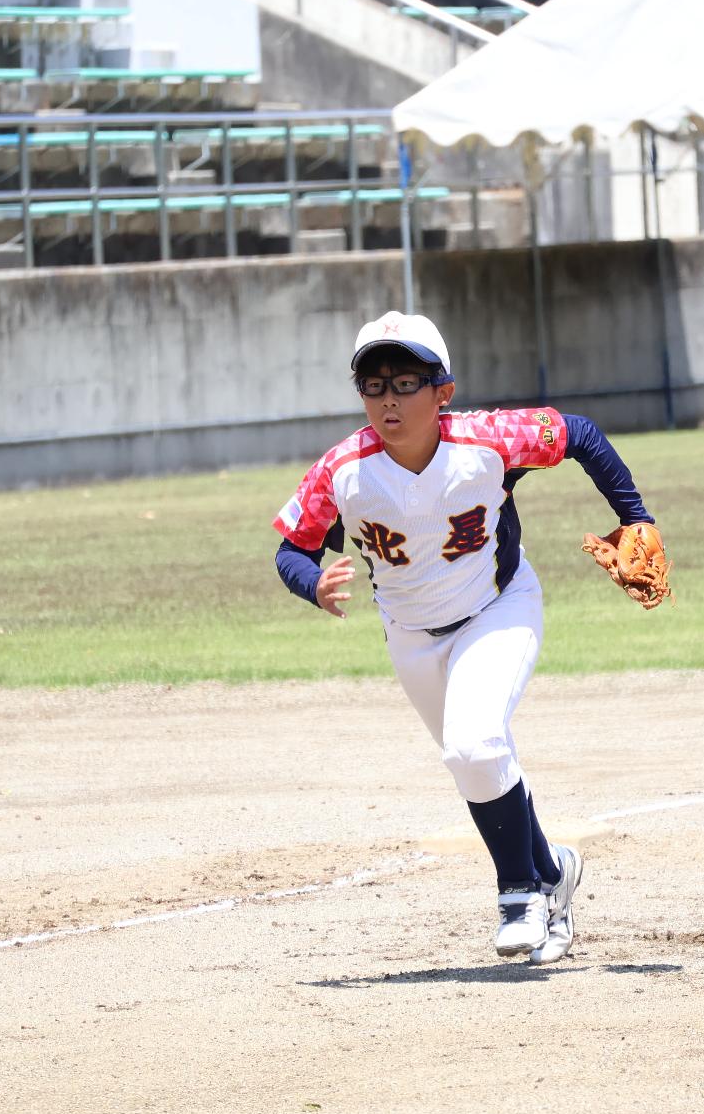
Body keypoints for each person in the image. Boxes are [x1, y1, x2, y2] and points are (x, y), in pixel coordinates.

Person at [272, 310, 661, 964]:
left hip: (499, 608)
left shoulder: (486, 440)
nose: (388, 399)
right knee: (476, 762)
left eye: (405, 381)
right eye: (373, 385)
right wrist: (311, 581)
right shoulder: (344, 470)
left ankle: (520, 895)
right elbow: (291, 547)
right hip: (410, 635)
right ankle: (553, 871)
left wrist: (636, 516)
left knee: (473, 741)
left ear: (442, 390)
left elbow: (580, 434)